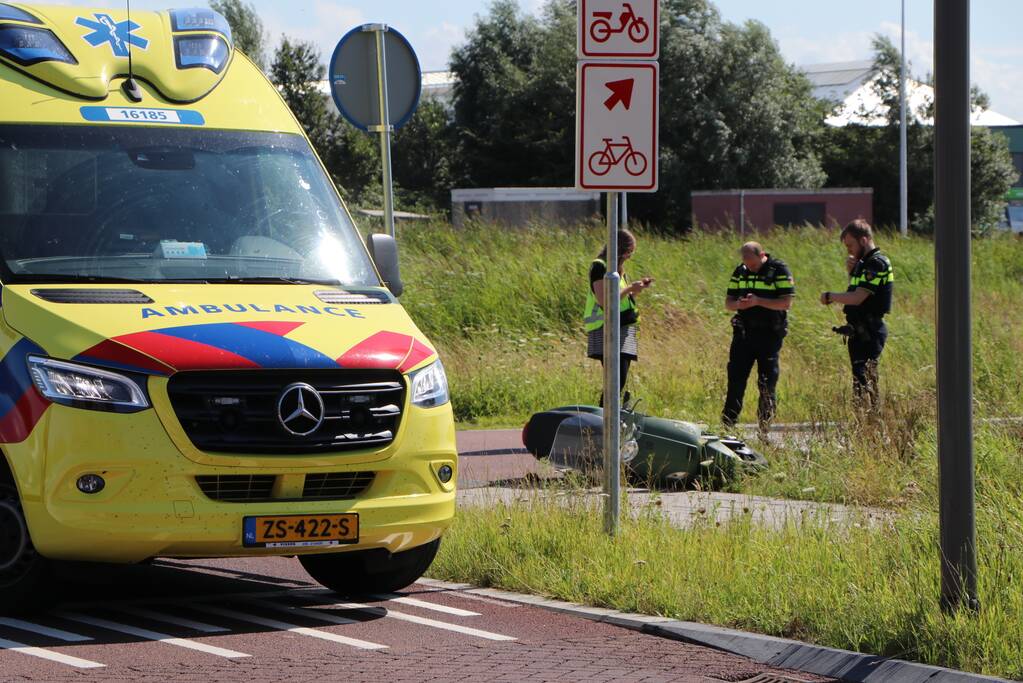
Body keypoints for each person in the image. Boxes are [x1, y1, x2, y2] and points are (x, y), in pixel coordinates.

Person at [820, 219, 894, 412]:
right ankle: (863, 423)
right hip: (858, 331)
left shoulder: (876, 263)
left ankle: (873, 421)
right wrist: (851, 273)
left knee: (866, 378)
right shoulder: (863, 265)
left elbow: (858, 297)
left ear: (864, 240)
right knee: (859, 381)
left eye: (850, 245)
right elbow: (855, 290)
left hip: (870, 331)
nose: (849, 251)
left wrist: (830, 296)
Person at [721, 242, 795, 434]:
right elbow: (728, 303)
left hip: (769, 336)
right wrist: (741, 304)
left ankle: (765, 429)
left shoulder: (778, 270)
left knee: (766, 383)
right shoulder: (741, 271)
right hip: (744, 334)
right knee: (736, 379)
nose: (750, 267)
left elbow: (786, 303)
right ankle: (728, 425)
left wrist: (758, 301)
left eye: (753, 264)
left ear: (762, 255)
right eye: (747, 263)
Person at [583, 229, 653, 405]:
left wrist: (635, 290)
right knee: (615, 381)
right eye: (629, 252)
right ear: (620, 249)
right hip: (606, 329)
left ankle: (610, 419)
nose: (630, 256)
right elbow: (605, 301)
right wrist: (629, 289)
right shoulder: (600, 266)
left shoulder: (618, 271)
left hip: (624, 328)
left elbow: (619, 300)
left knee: (619, 380)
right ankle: (604, 421)